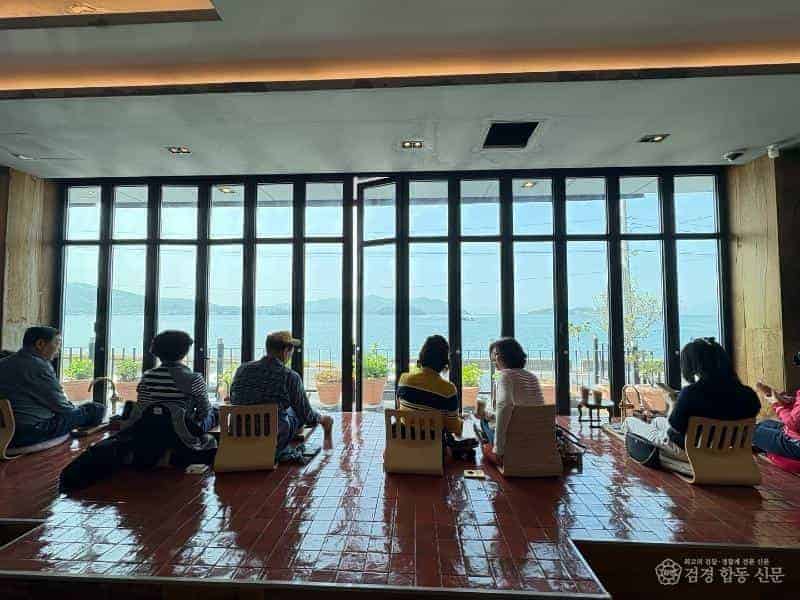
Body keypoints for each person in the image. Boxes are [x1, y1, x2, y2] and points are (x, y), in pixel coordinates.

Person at [622, 338, 760, 463]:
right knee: (657, 421)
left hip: (688, 451)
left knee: (629, 422)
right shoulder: (748, 394)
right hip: (726, 451)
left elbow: (674, 429)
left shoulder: (691, 393)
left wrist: (672, 403)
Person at [0, 326, 105, 448]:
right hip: (28, 432)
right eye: (57, 343)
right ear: (40, 344)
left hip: (4, 431)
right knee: (94, 409)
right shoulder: (39, 366)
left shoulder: (4, 362)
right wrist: (78, 410)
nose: (59, 349)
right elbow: (63, 407)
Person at [230, 331, 333, 452]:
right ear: (286, 351)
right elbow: (306, 415)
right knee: (296, 412)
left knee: (286, 411)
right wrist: (322, 419)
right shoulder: (289, 376)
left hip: (239, 433)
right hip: (272, 438)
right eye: (292, 350)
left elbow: (233, 398)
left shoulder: (242, 369)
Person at [126, 330, 217, 451]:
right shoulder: (194, 378)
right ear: (184, 352)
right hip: (183, 433)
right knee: (214, 412)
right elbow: (204, 412)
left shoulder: (147, 377)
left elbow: (143, 407)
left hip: (153, 432)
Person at [478, 337, 544, 466]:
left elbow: (504, 409)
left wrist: (498, 449)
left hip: (514, 438)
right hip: (535, 435)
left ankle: (492, 450)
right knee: (490, 418)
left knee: (483, 423)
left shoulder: (505, 376)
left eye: (495, 355)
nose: (493, 360)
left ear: (501, 356)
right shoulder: (532, 377)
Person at [397, 335, 462, 436]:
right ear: (444, 361)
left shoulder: (404, 379)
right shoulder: (448, 390)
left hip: (403, 442)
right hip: (434, 445)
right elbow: (454, 429)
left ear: (422, 356)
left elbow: (401, 408)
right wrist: (460, 421)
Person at [752, 382, 800, 461]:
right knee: (764, 423)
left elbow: (793, 423)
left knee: (751, 431)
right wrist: (788, 401)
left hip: (796, 443)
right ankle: (764, 445)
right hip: (794, 433)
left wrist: (777, 405)